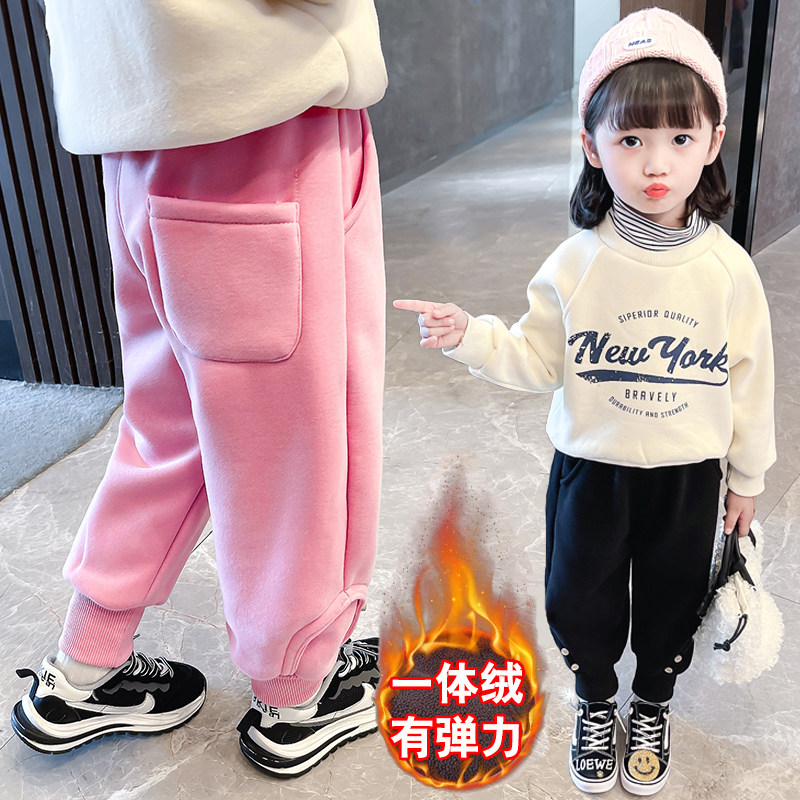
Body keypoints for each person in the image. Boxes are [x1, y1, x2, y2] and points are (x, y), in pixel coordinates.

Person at [395, 8, 774, 796]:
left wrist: (747, 479)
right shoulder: (575, 264)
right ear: (592, 146)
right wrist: (470, 336)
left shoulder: (730, 272)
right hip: (590, 471)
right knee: (579, 596)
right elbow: (536, 357)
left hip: (688, 477)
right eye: (630, 139)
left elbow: (751, 380)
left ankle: (652, 702)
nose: (655, 162)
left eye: (679, 137)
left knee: (673, 601)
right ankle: (597, 701)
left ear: (713, 141)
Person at [11, 0, 387, 780]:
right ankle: (299, 691)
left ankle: (85, 663)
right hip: (260, 109)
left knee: (171, 420)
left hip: (131, 120)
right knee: (294, 432)